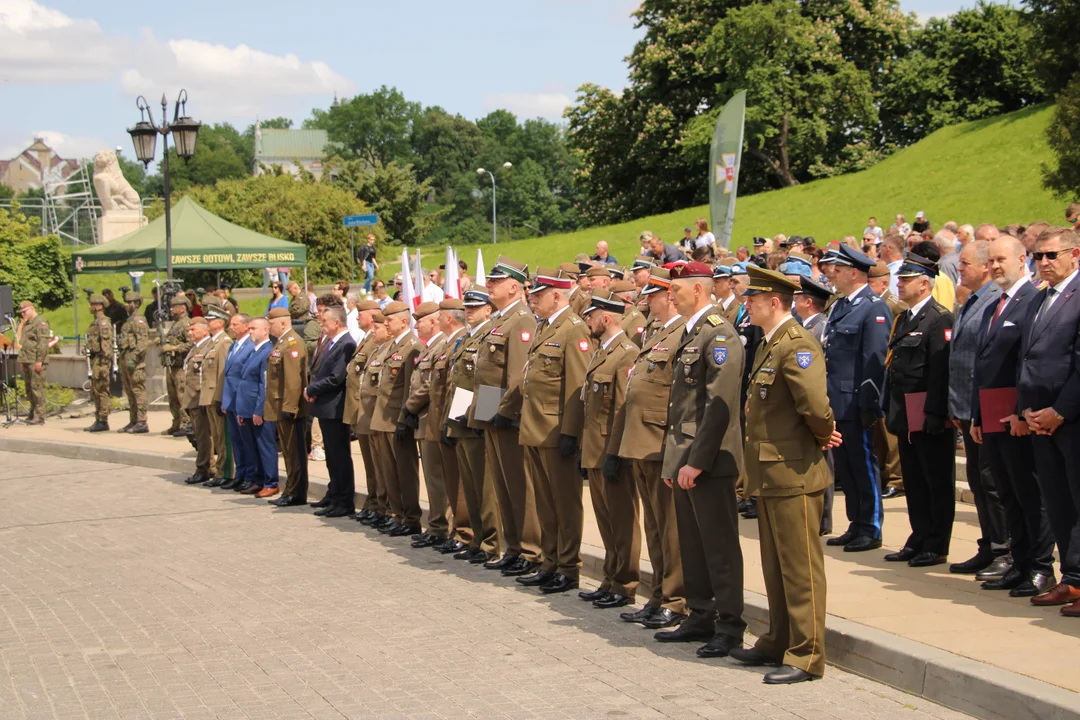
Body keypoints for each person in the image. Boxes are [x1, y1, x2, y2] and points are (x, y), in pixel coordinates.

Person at [733, 265, 839, 684]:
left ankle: (806, 654)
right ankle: (778, 639)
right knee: (775, 567)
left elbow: (813, 404)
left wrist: (826, 432)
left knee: (800, 569)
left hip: (793, 471)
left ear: (773, 302)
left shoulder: (796, 344)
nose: (746, 305)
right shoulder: (770, 342)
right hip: (772, 472)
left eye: (752, 300)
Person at [656, 261, 746, 659]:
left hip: (708, 460)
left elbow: (718, 406)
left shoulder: (719, 334)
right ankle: (700, 614)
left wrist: (696, 461)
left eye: (677, 289)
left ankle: (729, 625)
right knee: (691, 543)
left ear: (699, 290)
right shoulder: (694, 332)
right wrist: (673, 461)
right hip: (684, 457)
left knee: (719, 544)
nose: (671, 295)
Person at [971, 235, 1056, 597]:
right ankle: (1019, 563)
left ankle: (1040, 567)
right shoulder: (996, 303)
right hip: (991, 416)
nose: (993, 267)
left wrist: (1023, 412)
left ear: (1023, 260)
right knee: (1008, 493)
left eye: (1001, 260)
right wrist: (976, 416)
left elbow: (1027, 362)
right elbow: (984, 365)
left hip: (1017, 418)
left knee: (1029, 494)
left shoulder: (1032, 300)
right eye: (990, 261)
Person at [608, 267, 687, 628]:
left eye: (653, 296)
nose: (647, 302)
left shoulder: (682, 331)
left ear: (669, 296)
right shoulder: (655, 332)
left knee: (670, 528)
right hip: (641, 440)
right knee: (655, 526)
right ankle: (658, 594)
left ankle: (676, 598)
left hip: (660, 441)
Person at [514, 267, 591, 595]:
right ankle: (550, 560)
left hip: (557, 430)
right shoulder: (546, 326)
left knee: (564, 503)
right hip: (536, 429)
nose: (532, 300)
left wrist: (571, 434)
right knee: (545, 503)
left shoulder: (573, 330)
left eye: (538, 295)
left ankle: (568, 566)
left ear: (557, 296)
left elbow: (577, 387)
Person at [1018, 226, 1080, 615]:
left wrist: (1060, 410)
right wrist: (1027, 408)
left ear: (1075, 255)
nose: (1043, 263)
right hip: (1040, 420)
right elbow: (1028, 359)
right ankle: (1071, 579)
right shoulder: (1039, 300)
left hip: (1070, 418)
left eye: (1051, 256)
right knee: (1057, 501)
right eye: (1038, 256)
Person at [469, 257, 542, 575]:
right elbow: (487, 374)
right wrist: (480, 416)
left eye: (495, 281)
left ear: (514, 287)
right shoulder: (501, 320)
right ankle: (512, 547)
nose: (489, 285)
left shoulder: (522, 320)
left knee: (518, 485)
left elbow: (516, 377)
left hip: (507, 415)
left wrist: (505, 413)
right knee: (501, 485)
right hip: (491, 408)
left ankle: (529, 549)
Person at [884, 253, 956, 568]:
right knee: (914, 479)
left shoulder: (939, 317)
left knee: (935, 480)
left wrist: (936, 413)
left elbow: (940, 369)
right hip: (905, 412)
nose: (899, 284)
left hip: (927, 413)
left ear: (924, 283)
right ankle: (919, 535)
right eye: (899, 279)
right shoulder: (905, 318)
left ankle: (936, 543)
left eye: (905, 279)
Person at [823, 245, 892, 552]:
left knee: (864, 466)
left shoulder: (873, 307)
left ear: (854, 273)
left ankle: (871, 526)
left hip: (856, 402)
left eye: (837, 270)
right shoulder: (839, 306)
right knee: (847, 468)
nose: (831, 274)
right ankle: (855, 522)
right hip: (836, 401)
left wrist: (869, 403)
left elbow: (875, 358)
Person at [946, 241, 1010, 575]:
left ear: (985, 267)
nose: (960, 269)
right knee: (978, 480)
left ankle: (1004, 549)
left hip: (984, 408)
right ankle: (989, 544)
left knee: (991, 482)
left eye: (966, 263)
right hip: (966, 408)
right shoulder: (970, 301)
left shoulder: (993, 300)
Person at [577, 289, 642, 608]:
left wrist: (616, 453)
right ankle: (611, 576)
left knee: (622, 518)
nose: (587, 322)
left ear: (606, 318)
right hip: (595, 448)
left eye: (591, 316)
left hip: (611, 449)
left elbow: (622, 408)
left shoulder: (626, 353)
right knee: (606, 518)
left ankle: (625, 582)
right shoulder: (602, 350)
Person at [445, 287, 501, 563]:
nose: (468, 311)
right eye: (466, 307)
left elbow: (490, 380)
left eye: (474, 307)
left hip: (478, 418)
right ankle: (478, 539)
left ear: (488, 309)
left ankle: (492, 542)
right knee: (471, 486)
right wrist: (453, 420)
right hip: (463, 416)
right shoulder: (470, 337)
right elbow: (462, 384)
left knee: (485, 486)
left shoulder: (491, 335)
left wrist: (485, 418)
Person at [368, 301, 424, 536]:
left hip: (396, 419)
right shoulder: (392, 345)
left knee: (404, 472)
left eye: (389, 320)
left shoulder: (413, 346)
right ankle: (398, 514)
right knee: (389, 473)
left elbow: (410, 387)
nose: (385, 324)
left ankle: (410, 517)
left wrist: (404, 418)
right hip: (383, 418)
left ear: (403, 321)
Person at [403, 302, 452, 548]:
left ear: (433, 321)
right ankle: (435, 525)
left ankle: (440, 527)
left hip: (430, 417)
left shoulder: (442, 345)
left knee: (437, 478)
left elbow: (430, 384)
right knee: (432, 478)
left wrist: (410, 406)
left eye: (420, 320)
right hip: (424, 419)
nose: (416, 325)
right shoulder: (429, 348)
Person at [428, 298, 472, 554]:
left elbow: (468, 384)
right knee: (453, 481)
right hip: (448, 418)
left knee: (463, 485)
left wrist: (455, 419)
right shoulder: (453, 342)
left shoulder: (463, 340)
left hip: (462, 420)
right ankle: (459, 532)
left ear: (448, 318)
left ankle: (467, 534)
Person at [306, 306, 358, 518]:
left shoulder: (347, 344)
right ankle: (334, 494)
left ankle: (344, 501)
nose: (322, 325)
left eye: (325, 321)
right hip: (326, 407)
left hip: (336, 408)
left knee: (340, 456)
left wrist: (311, 389)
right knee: (332, 457)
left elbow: (337, 378)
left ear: (337, 322)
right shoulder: (333, 342)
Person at [866, 261, 906, 500]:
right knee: (877, 432)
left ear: (883, 282)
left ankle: (897, 479)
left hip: (887, 371)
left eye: (872, 282)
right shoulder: (874, 305)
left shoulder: (894, 305)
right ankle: (883, 475)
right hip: (874, 373)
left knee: (888, 432)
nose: (869, 286)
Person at [345, 302, 388, 523]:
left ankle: (382, 506)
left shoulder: (378, 342)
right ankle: (374, 504)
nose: (357, 317)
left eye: (361, 314)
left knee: (380, 464)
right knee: (371, 464)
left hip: (373, 411)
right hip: (362, 410)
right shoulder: (367, 341)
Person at [235, 317, 277, 498]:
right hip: (246, 408)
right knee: (252, 448)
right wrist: (241, 409)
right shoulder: (254, 351)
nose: (250, 331)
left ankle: (271, 482)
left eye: (253, 328)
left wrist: (259, 410)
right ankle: (258, 480)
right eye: (250, 328)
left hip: (258, 409)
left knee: (265, 447)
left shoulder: (268, 351)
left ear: (265, 330)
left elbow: (264, 384)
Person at [217, 314, 253, 492]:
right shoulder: (233, 345)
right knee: (236, 442)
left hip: (242, 401)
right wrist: (225, 400)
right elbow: (228, 375)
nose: (231, 327)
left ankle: (249, 476)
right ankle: (240, 474)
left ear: (246, 326)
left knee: (246, 442)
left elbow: (244, 378)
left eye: (235, 324)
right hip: (230, 401)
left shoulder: (251, 346)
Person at [201, 307, 233, 485]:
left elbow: (223, 373)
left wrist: (222, 399)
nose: (208, 322)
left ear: (220, 322)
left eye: (211, 320)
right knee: (217, 436)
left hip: (216, 396)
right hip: (209, 396)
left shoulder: (224, 343)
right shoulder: (213, 342)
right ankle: (221, 472)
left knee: (223, 438)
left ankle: (225, 472)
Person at [182, 319, 214, 484]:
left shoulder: (209, 347)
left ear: (204, 330)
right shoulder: (195, 348)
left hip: (200, 399)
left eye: (193, 330)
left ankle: (203, 469)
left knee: (203, 437)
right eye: (189, 330)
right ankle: (208, 467)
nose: (190, 333)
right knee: (200, 436)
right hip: (191, 399)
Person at [116, 291, 150, 434]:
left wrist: (134, 358)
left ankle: (142, 421)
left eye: (130, 302)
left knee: (138, 391)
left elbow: (143, 342)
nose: (126, 305)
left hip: (134, 362)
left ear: (136, 304)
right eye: (126, 302)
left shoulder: (138, 320)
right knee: (129, 392)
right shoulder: (129, 320)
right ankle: (134, 419)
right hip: (126, 358)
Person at [160, 297, 193, 437]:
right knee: (172, 397)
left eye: (174, 307)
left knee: (182, 396)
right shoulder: (176, 324)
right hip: (172, 365)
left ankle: (186, 424)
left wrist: (174, 347)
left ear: (182, 308)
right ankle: (176, 423)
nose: (171, 309)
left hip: (181, 366)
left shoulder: (186, 324)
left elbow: (191, 344)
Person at [14, 300, 50, 425]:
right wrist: (22, 360)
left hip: (36, 361)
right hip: (27, 360)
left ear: (32, 309)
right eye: (21, 312)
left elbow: (42, 343)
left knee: (37, 388)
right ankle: (32, 412)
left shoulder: (40, 323)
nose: (23, 314)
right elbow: (24, 343)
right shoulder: (27, 324)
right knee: (29, 388)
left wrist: (39, 360)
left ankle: (40, 416)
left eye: (25, 311)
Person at [84, 295, 113, 432]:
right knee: (96, 390)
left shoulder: (103, 322)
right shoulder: (95, 322)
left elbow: (106, 344)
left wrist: (104, 364)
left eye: (92, 304)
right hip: (96, 359)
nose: (89, 307)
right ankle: (99, 418)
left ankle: (103, 419)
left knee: (101, 389)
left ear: (99, 306)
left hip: (101, 360)